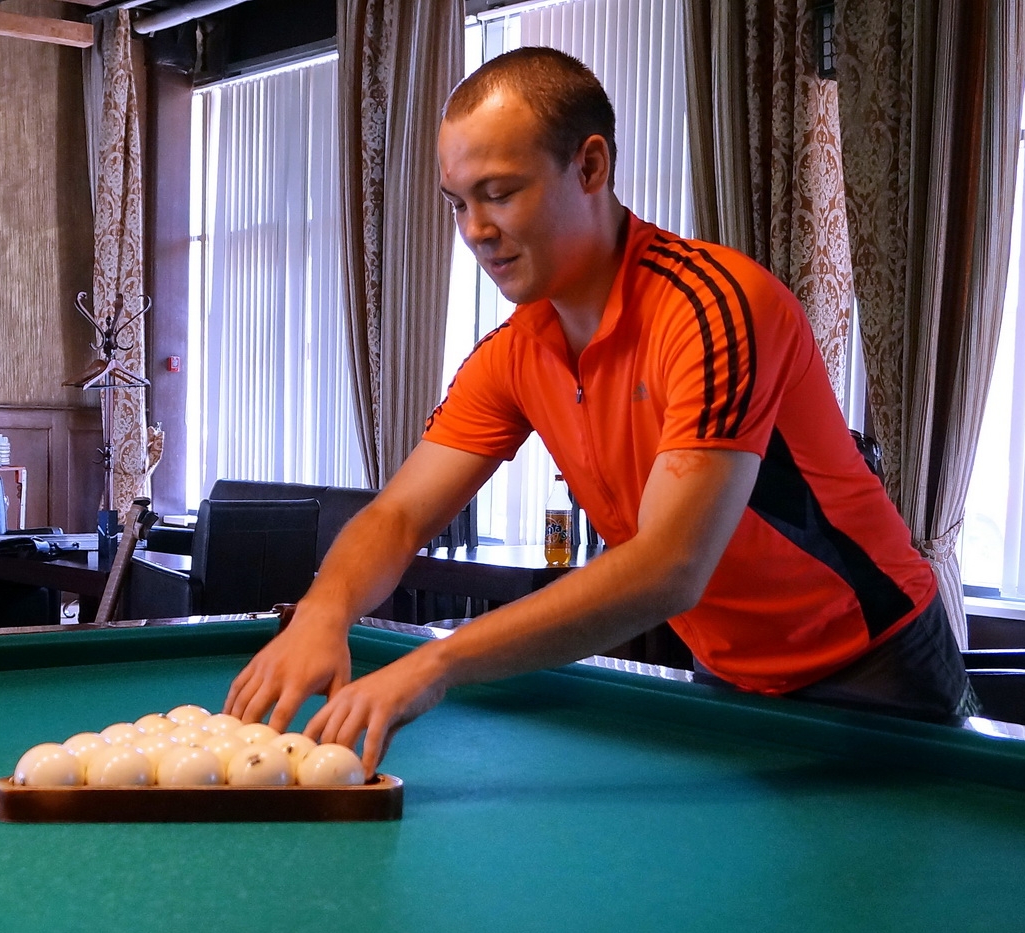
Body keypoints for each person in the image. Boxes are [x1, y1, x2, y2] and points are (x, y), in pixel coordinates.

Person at [224, 47, 973, 775]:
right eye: (458, 202)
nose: (475, 230)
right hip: (730, 673)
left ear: (590, 167)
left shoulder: (716, 307)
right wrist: (325, 610)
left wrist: (436, 661)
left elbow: (669, 567)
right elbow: (398, 515)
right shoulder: (514, 353)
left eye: (499, 192)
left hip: (876, 668)